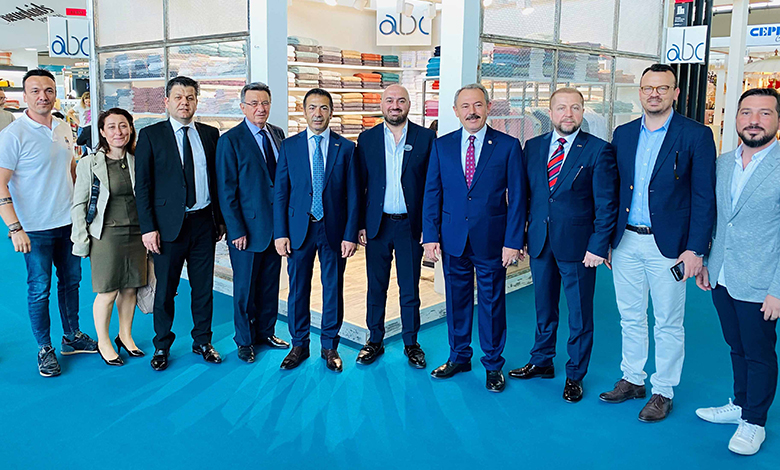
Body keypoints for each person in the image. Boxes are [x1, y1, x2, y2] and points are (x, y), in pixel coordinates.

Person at [600, 64, 717, 422]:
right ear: (639, 92)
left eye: (662, 88)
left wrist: (696, 249)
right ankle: (633, 379)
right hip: (625, 241)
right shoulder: (622, 134)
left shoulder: (696, 135)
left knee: (668, 321)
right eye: (648, 88)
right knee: (630, 315)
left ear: (675, 93)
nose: (654, 94)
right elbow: (613, 190)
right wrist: (607, 240)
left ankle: (663, 390)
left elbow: (704, 197)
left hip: (669, 247)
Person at [509, 88, 618, 402]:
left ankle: (575, 374)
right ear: (550, 112)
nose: (567, 114)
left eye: (575, 108)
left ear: (583, 111)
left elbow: (606, 204)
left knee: (579, 315)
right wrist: (521, 237)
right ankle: (542, 361)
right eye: (561, 108)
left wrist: (598, 246)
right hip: (540, 243)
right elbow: (525, 197)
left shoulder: (598, 150)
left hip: (579, 248)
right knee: (544, 307)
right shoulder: (532, 147)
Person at [422, 83, 525, 393]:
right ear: (455, 111)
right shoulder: (442, 146)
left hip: (492, 240)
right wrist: (430, 235)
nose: (472, 111)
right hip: (452, 238)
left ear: (488, 107)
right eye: (465, 106)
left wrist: (513, 241)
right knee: (456, 301)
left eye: (478, 105)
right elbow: (432, 193)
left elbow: (518, 198)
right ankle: (459, 356)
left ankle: (493, 364)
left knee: (492, 304)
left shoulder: (508, 146)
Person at [694, 88, 780, 456]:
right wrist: (707, 262)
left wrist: (778, 289)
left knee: (759, 353)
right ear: (736, 118)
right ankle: (742, 404)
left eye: (764, 113)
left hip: (762, 281)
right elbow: (717, 219)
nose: (754, 121)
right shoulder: (723, 163)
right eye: (746, 113)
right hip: (722, 275)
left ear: (777, 120)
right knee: (736, 346)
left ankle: (754, 422)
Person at [0, 69, 97, 377]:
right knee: (39, 289)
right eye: (36, 91)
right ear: (24, 96)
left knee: (71, 282)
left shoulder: (63, 127)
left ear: (55, 93)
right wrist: (15, 227)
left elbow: (71, 170)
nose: (43, 96)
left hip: (68, 223)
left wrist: (83, 212)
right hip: (34, 228)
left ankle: (71, 336)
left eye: (49, 90)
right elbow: (1, 183)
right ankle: (45, 348)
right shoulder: (13, 135)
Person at [134, 76, 226, 371]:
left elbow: (217, 181)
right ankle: (162, 345)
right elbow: (143, 187)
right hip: (167, 228)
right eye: (178, 97)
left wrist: (220, 220)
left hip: (203, 223)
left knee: (203, 288)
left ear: (197, 101)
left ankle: (203, 341)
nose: (184, 103)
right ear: (167, 102)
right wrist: (148, 228)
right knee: (165, 290)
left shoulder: (210, 134)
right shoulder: (151, 135)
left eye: (190, 97)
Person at [274, 88, 359, 373]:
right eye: (312, 107)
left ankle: (329, 346)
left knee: (332, 288)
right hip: (299, 229)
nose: (318, 113)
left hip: (333, 230)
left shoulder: (345, 148)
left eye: (323, 108)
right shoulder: (290, 146)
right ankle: (299, 344)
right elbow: (281, 193)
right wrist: (280, 232)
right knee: (298, 288)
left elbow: (353, 195)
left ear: (331, 112)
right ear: (304, 111)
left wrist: (350, 234)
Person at [355, 84, 436, 368]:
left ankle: (411, 343)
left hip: (410, 227)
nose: (395, 105)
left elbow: (432, 187)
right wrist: (360, 224)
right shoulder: (367, 139)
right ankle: (374, 340)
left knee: (409, 288)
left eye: (401, 100)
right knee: (376, 287)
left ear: (409, 105)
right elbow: (359, 185)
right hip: (377, 226)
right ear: (382, 105)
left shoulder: (426, 138)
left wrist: (430, 227)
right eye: (389, 100)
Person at [216, 82, 290, 364]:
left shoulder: (278, 134)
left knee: (270, 285)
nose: (261, 108)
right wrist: (235, 229)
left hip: (275, 228)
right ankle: (245, 341)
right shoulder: (230, 140)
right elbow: (226, 190)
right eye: (254, 103)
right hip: (246, 231)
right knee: (245, 289)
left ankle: (266, 332)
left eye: (265, 103)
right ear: (243, 107)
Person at [71, 108, 146, 367]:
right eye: (111, 127)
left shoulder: (138, 159)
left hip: (137, 233)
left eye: (123, 126)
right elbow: (79, 204)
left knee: (131, 288)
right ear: (102, 132)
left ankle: (125, 335)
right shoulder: (90, 163)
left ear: (131, 129)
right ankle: (103, 341)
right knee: (108, 290)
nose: (118, 132)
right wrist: (81, 240)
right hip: (106, 234)